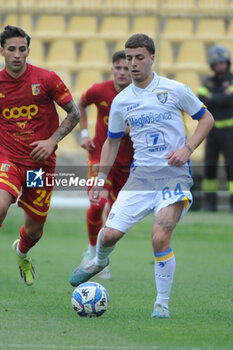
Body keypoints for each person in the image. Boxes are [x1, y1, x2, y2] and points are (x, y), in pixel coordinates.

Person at [70, 34, 214, 318]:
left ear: (152, 58)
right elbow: (111, 142)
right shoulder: (122, 101)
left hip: (174, 177)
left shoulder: (174, 89)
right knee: (109, 235)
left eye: (138, 58)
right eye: (128, 58)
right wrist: (100, 178)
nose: (132, 64)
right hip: (140, 178)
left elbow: (205, 118)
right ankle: (99, 261)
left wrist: (187, 148)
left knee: (159, 236)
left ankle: (161, 305)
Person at [0, 25, 80, 286]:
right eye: (11, 49)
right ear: (2, 51)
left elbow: (74, 113)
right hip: (8, 159)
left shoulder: (46, 79)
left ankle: (22, 251)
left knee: (34, 230)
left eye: (22, 50)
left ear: (28, 51)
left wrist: (51, 141)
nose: (17, 55)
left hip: (39, 166)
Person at [77, 50, 133, 279]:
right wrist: (84, 134)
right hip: (100, 158)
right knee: (97, 203)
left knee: (115, 216)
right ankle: (92, 254)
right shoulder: (100, 90)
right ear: (112, 69)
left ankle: (101, 256)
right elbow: (80, 104)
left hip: (129, 165)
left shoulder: (141, 95)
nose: (122, 72)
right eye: (118, 67)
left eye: (126, 68)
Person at [198, 45, 233, 212]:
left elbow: (228, 99)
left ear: (227, 63)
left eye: (222, 62)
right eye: (216, 63)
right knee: (209, 167)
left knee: (231, 168)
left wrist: (214, 97)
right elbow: (202, 99)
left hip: (230, 131)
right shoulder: (208, 82)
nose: (220, 65)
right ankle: (209, 204)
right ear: (213, 65)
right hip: (211, 133)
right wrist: (223, 96)